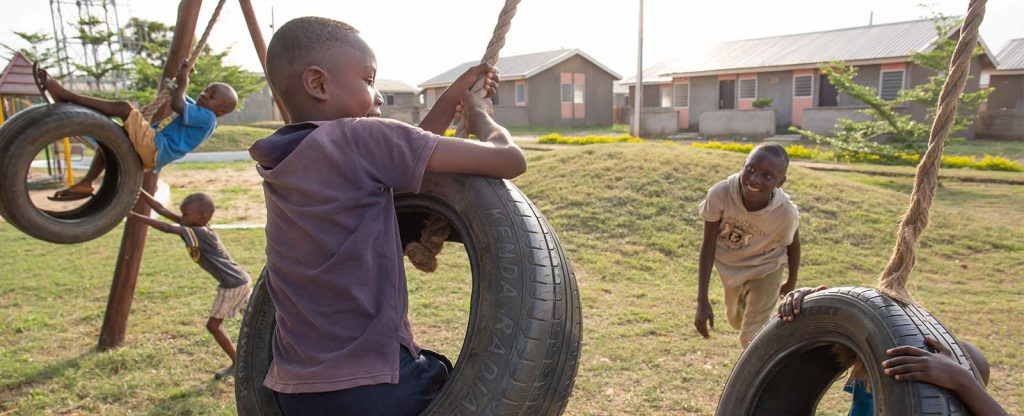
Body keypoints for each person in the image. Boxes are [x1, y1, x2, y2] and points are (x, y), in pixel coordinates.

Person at [248, 17, 524, 415]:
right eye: (369, 80)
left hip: (295, 391)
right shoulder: (360, 137)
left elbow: (404, 154)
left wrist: (450, 100)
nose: (378, 97)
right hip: (377, 384)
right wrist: (481, 117)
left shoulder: (284, 157)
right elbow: (509, 160)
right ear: (318, 84)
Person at [779, 286, 1008, 416]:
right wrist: (808, 302)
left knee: (970, 356)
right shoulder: (874, 366)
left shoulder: (963, 367)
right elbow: (828, 331)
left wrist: (962, 381)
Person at [34, 62, 238, 201]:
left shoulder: (207, 118)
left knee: (124, 108)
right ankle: (86, 184)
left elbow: (177, 102)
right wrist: (179, 79)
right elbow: (178, 96)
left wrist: (184, 81)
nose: (203, 95)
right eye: (205, 90)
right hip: (154, 150)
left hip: (156, 148)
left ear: (221, 111)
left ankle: (67, 96)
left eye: (210, 96)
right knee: (109, 143)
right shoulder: (200, 111)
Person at [127, 190, 252, 379]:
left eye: (186, 214)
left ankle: (237, 364)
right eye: (182, 213)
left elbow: (167, 227)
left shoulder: (198, 232)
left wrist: (134, 216)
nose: (182, 217)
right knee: (253, 320)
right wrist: (139, 190)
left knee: (213, 326)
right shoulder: (194, 225)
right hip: (241, 279)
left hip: (233, 284)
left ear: (203, 216)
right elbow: (162, 210)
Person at [693, 143, 800, 347]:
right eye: (750, 169)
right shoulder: (721, 194)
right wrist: (702, 300)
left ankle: (767, 370)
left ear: (781, 182)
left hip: (767, 266)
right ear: (743, 165)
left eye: (767, 176)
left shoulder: (784, 211)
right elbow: (708, 245)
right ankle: (769, 331)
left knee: (749, 336)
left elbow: (793, 243)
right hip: (733, 268)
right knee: (735, 321)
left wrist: (791, 280)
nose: (754, 179)